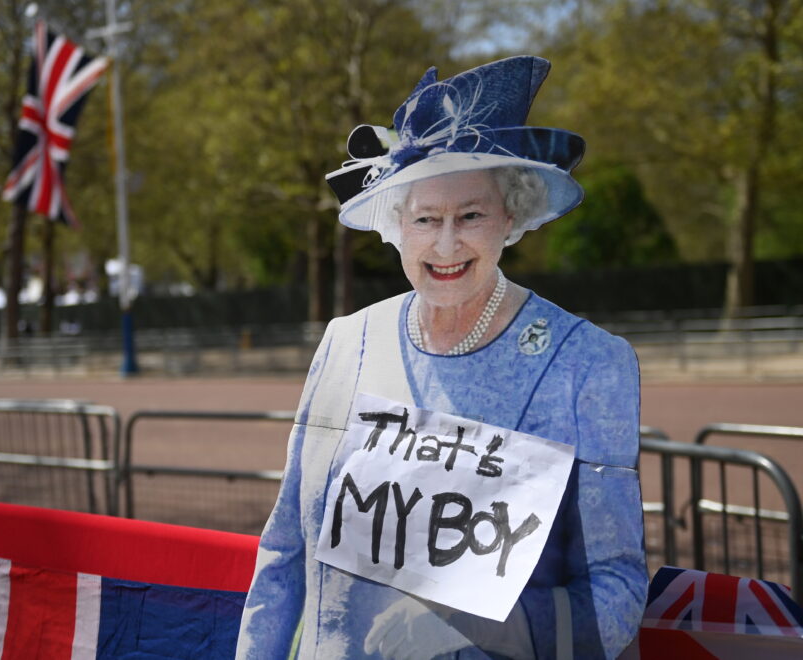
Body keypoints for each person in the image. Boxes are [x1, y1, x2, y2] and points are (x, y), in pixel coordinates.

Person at [236, 56, 647, 659]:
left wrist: (473, 624)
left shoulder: (587, 364)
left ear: (511, 214)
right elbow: (285, 553)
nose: (446, 243)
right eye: (426, 218)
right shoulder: (345, 342)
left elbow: (617, 589)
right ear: (398, 223)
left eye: (471, 215)